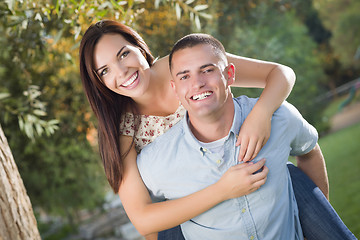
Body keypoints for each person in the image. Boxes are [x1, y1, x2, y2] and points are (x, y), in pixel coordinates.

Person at [79, 20, 355, 239]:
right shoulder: (122, 130)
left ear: (140, 48)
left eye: (124, 54)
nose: (121, 71)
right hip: (190, 211)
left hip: (251, 175)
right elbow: (144, 220)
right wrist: (223, 190)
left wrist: (261, 114)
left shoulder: (182, 65)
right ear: (98, 81)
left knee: (289, 177)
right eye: (104, 71)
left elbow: (280, 73)